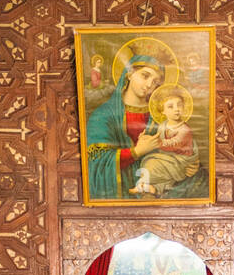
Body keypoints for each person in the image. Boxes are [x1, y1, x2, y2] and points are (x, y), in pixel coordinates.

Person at [85, 53, 205, 201]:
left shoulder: (161, 114)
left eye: (155, 82)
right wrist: (136, 152)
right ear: (129, 73)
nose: (149, 85)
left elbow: (181, 144)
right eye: (145, 76)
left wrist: (189, 164)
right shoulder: (102, 115)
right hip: (122, 185)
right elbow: (96, 160)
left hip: (161, 176)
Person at [130, 87, 200, 197]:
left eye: (179, 105)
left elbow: (173, 144)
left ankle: (145, 185)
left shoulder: (184, 129)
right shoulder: (163, 125)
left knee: (152, 166)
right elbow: (159, 139)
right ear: (163, 110)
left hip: (181, 161)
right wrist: (146, 138)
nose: (176, 109)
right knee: (149, 164)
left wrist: (154, 142)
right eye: (170, 106)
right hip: (168, 158)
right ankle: (152, 188)